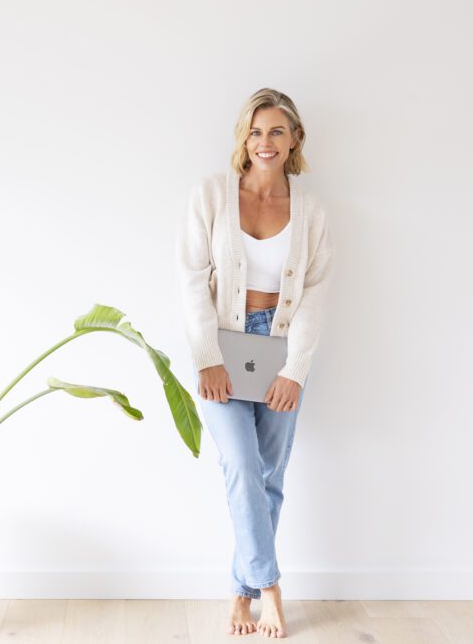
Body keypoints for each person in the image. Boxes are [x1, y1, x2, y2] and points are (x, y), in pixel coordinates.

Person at [175, 88, 334, 638]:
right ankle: (270, 588)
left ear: (295, 141)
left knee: (270, 478)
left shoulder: (310, 211)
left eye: (276, 132)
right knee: (242, 467)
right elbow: (192, 282)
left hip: (283, 348)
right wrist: (206, 357)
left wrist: (295, 369)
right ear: (244, 138)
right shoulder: (210, 196)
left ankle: (240, 594)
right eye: (255, 131)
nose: (264, 142)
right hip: (222, 344)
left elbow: (314, 292)